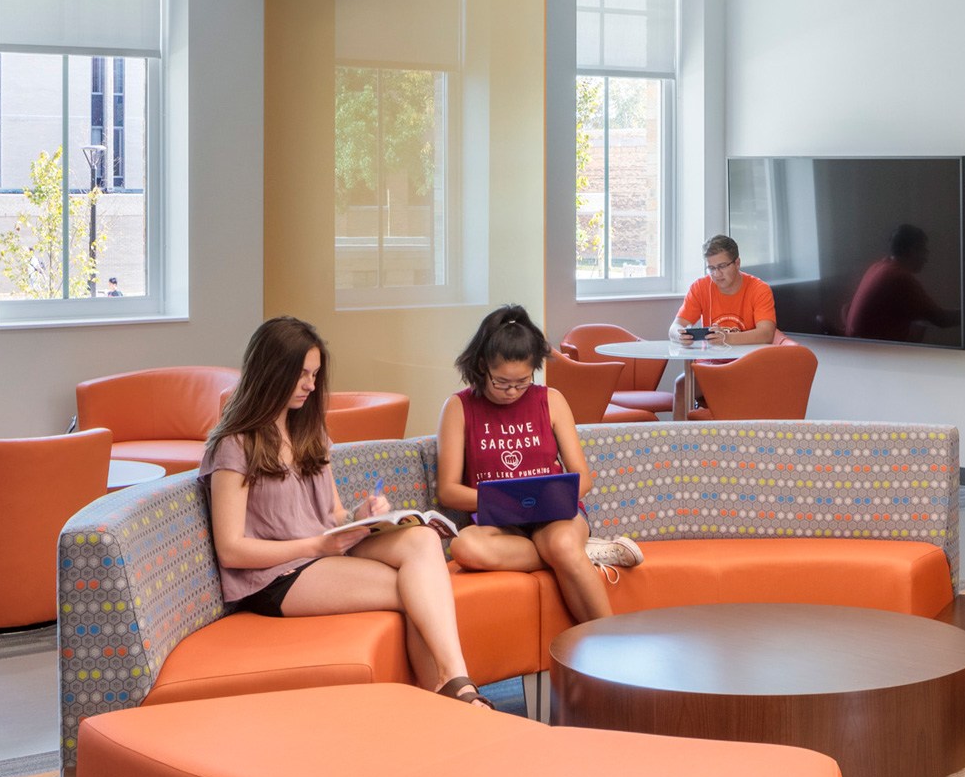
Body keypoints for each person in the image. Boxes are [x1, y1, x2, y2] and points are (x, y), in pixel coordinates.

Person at [201, 316, 492, 709]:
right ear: (270, 372)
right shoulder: (235, 445)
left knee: (422, 539)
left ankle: (454, 686)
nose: (310, 385)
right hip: (274, 577)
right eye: (301, 374)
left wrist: (364, 513)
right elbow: (232, 550)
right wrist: (318, 544)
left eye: (315, 375)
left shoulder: (309, 431)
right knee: (418, 592)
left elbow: (334, 514)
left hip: (324, 552)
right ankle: (454, 694)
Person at [440, 306, 643, 625]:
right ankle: (580, 553)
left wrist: (551, 498)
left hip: (555, 515)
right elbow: (448, 490)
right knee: (465, 546)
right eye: (502, 382)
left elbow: (583, 478)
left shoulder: (551, 400)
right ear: (482, 367)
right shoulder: (458, 407)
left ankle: (609, 644)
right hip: (498, 523)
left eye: (521, 382)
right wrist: (501, 501)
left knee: (561, 542)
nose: (511, 392)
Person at [843, 224, 960, 341]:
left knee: (919, 325)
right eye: (924, 251)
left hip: (859, 347)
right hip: (875, 353)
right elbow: (942, 319)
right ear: (913, 250)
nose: (926, 258)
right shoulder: (901, 279)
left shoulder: (877, 266)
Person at [670, 235, 777, 346]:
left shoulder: (759, 289)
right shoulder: (699, 287)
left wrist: (727, 338)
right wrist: (679, 336)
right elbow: (674, 327)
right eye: (711, 268)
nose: (717, 274)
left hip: (747, 361)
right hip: (710, 361)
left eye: (722, 266)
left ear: (737, 263)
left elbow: (767, 335)